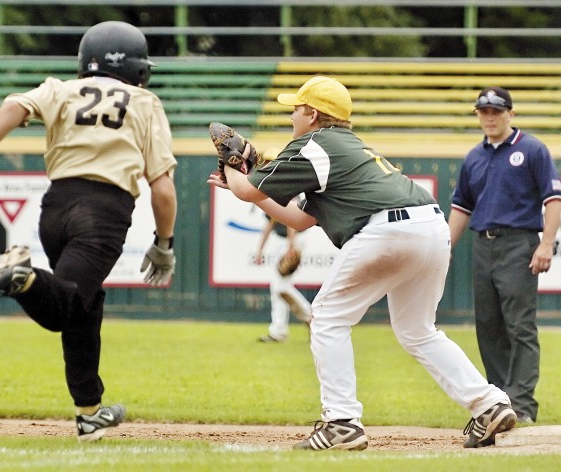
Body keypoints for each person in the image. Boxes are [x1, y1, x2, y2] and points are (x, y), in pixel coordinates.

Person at [208, 76, 517, 451]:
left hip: (388, 230)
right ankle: (488, 404)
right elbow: (300, 219)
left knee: (327, 316)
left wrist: (234, 166)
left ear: (312, 113)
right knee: (418, 330)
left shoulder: (313, 143)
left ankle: (340, 422)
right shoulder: (346, 147)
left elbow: (246, 189)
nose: (291, 115)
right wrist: (248, 179)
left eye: (294, 108)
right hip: (430, 225)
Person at [0, 21, 178, 442]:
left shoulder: (60, 88)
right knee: (66, 306)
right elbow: (164, 188)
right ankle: (21, 277)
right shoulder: (144, 101)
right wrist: (164, 243)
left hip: (56, 208)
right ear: (135, 64)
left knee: (83, 306)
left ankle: (89, 412)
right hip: (103, 212)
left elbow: (13, 106)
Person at [448, 86, 561, 425]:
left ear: (511, 114)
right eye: (484, 111)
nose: (490, 117)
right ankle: (500, 402)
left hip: (519, 243)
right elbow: (461, 208)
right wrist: (442, 250)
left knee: (520, 326)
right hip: (483, 244)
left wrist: (546, 243)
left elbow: (553, 200)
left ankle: (523, 403)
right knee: (488, 325)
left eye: (496, 110)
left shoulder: (532, 149)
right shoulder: (473, 157)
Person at [255, 210, 311, 343]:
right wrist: (260, 250)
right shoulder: (269, 192)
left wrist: (291, 246)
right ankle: (279, 330)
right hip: (285, 241)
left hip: (293, 239)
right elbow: (270, 222)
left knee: (280, 287)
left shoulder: (281, 190)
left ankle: (312, 318)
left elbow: (290, 219)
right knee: (278, 288)